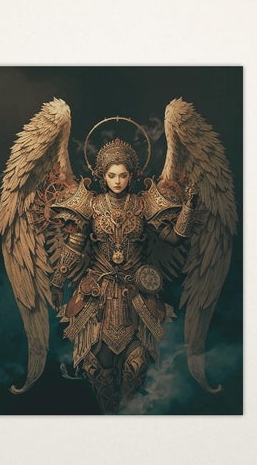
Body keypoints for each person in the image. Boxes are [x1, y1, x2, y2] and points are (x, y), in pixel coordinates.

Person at [46, 138, 195, 412]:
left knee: (136, 365)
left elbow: (174, 238)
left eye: (123, 175)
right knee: (97, 368)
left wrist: (189, 207)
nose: (117, 181)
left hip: (136, 295)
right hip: (97, 295)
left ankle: (128, 419)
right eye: (112, 175)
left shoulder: (143, 204)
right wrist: (57, 279)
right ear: (102, 175)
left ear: (132, 175)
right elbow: (75, 244)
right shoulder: (90, 204)